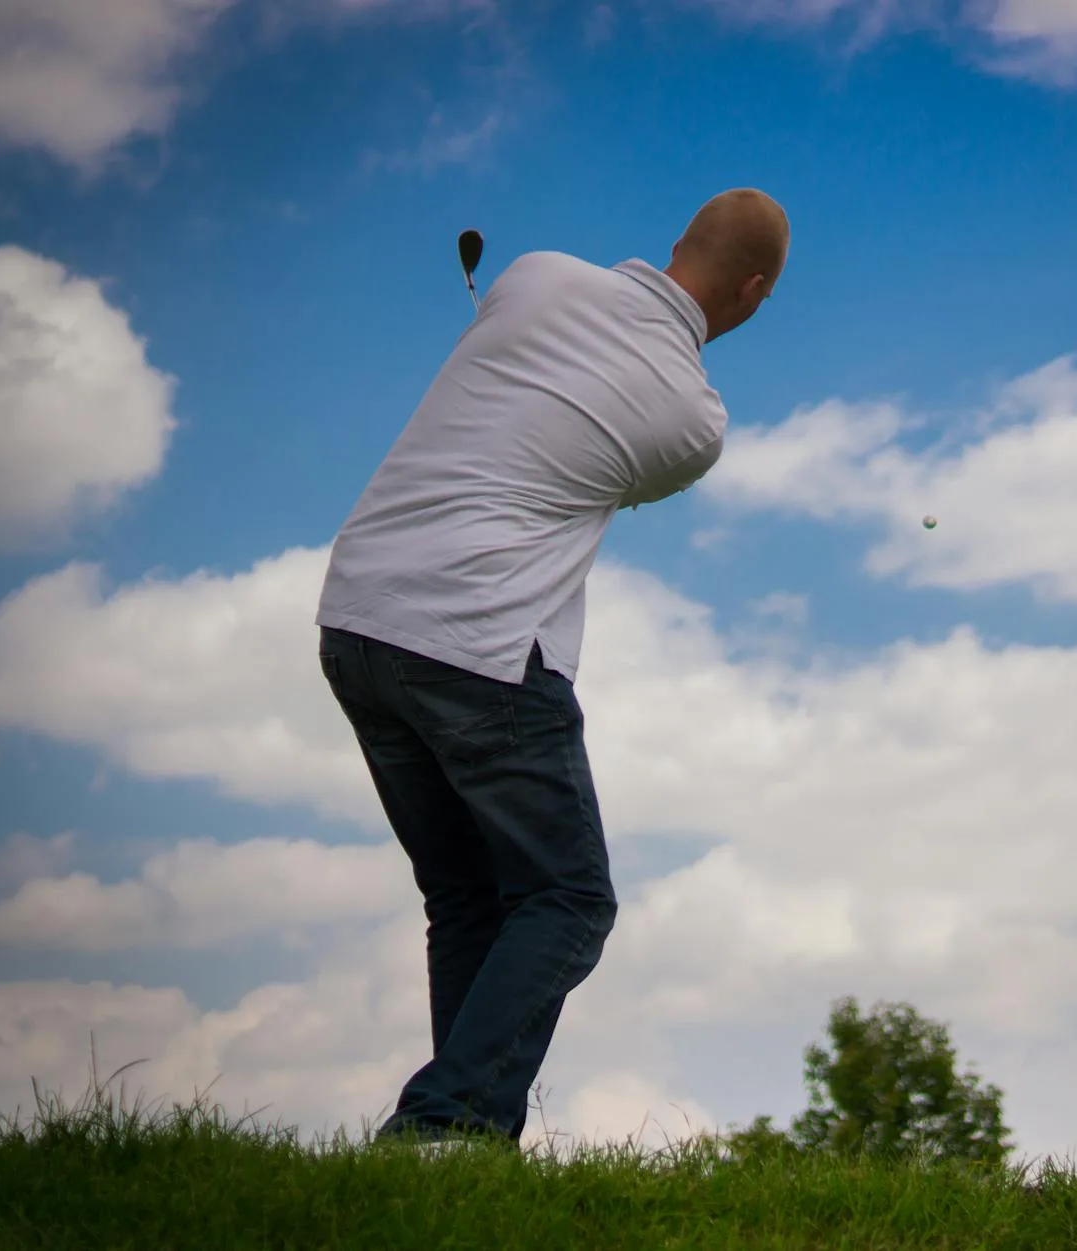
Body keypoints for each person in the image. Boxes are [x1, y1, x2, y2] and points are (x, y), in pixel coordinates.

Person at [314, 189, 789, 1150]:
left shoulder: (530, 274)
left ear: (673, 243)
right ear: (753, 290)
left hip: (357, 617)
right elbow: (620, 468)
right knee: (569, 899)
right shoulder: (693, 421)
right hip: (478, 644)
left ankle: (461, 1149)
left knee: (467, 895)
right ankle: (441, 1120)